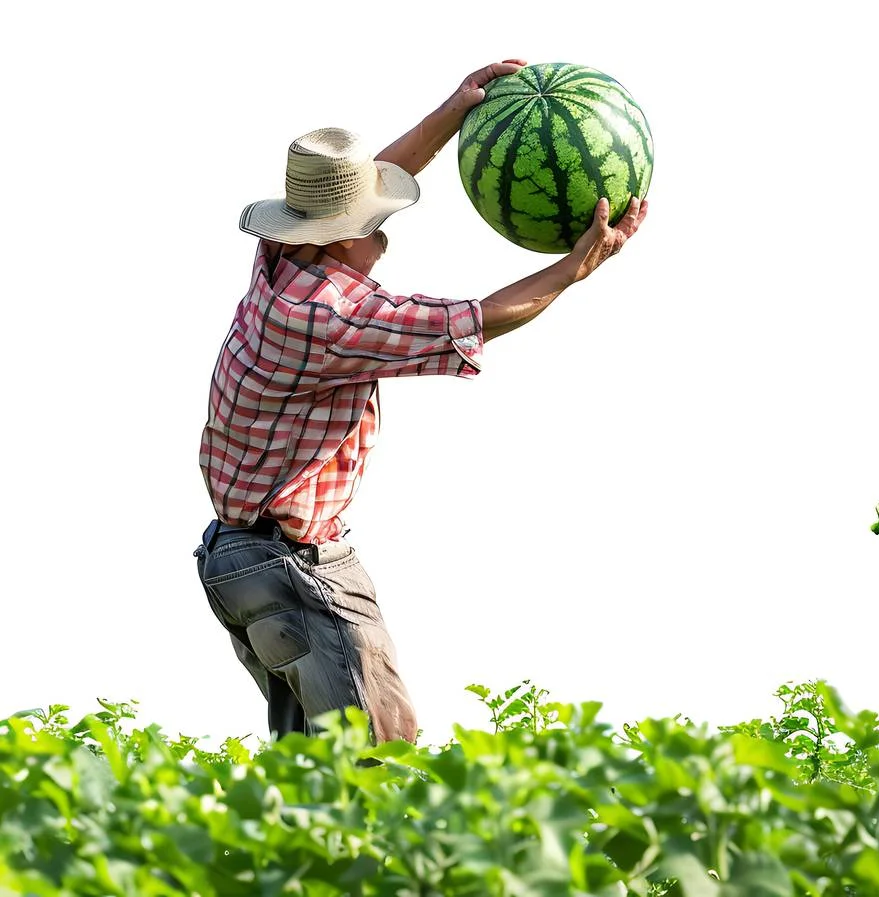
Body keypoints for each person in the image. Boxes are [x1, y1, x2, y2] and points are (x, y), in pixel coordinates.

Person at [193, 60, 648, 744]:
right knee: (379, 756)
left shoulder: (282, 257)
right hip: (293, 563)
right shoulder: (331, 317)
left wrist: (453, 111)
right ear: (344, 236)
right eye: (375, 221)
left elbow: (364, 181)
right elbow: (480, 317)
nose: (386, 229)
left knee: (307, 766)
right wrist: (578, 264)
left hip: (235, 557)